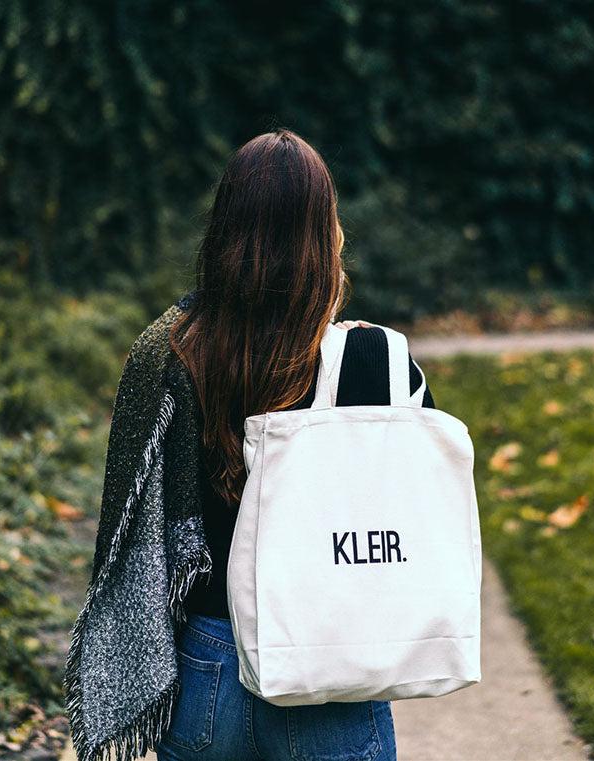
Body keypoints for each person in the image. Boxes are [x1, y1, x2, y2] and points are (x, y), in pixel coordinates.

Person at [64, 128, 434, 761]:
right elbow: (418, 504)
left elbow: (136, 533)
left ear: (224, 228)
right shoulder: (372, 359)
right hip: (331, 668)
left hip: (208, 666)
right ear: (326, 232)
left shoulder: (171, 352)